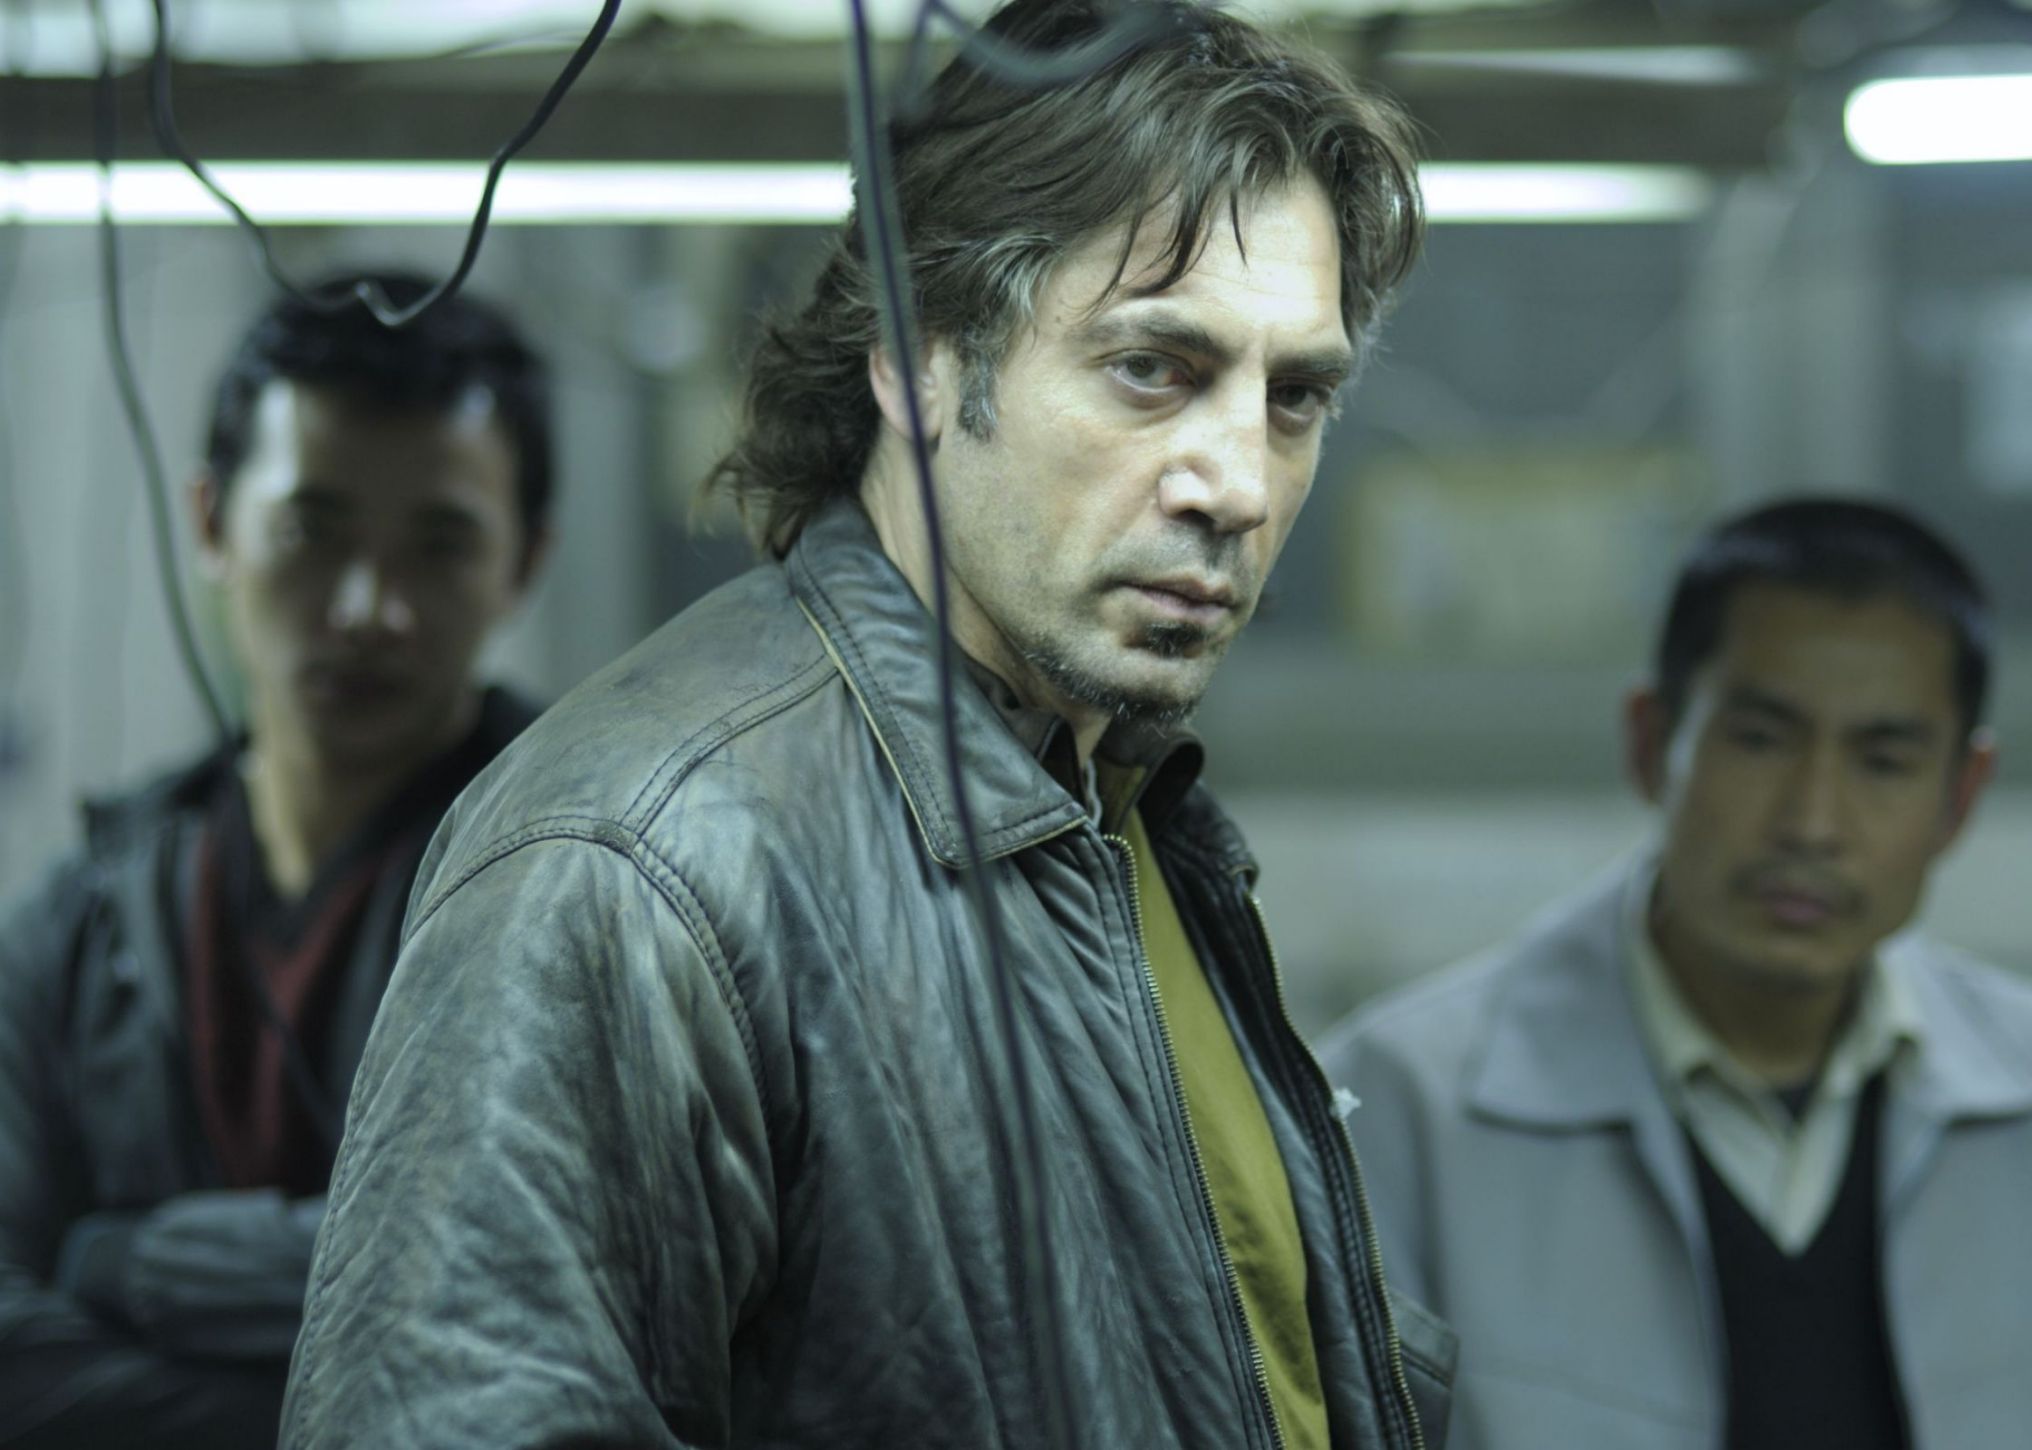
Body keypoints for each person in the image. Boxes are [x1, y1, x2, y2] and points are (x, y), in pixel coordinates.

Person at [277, 4, 1451, 1448]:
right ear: (916, 355)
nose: (1239, 483)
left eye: (1295, 397)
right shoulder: (635, 865)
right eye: (1153, 368)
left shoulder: (1121, 817)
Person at [1319, 498, 2032, 1450]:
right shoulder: (1393, 1115)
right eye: (1760, 741)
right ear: (1651, 744)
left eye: (1884, 761)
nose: (1812, 823)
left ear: (1961, 797)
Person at [0, 271, 554, 1449]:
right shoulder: (86, 919)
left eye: (439, 545)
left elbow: (556, 1299)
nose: (368, 607)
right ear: (211, 523)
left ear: (525, 562)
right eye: (312, 530)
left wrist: (124, 1262)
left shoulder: (583, 888)